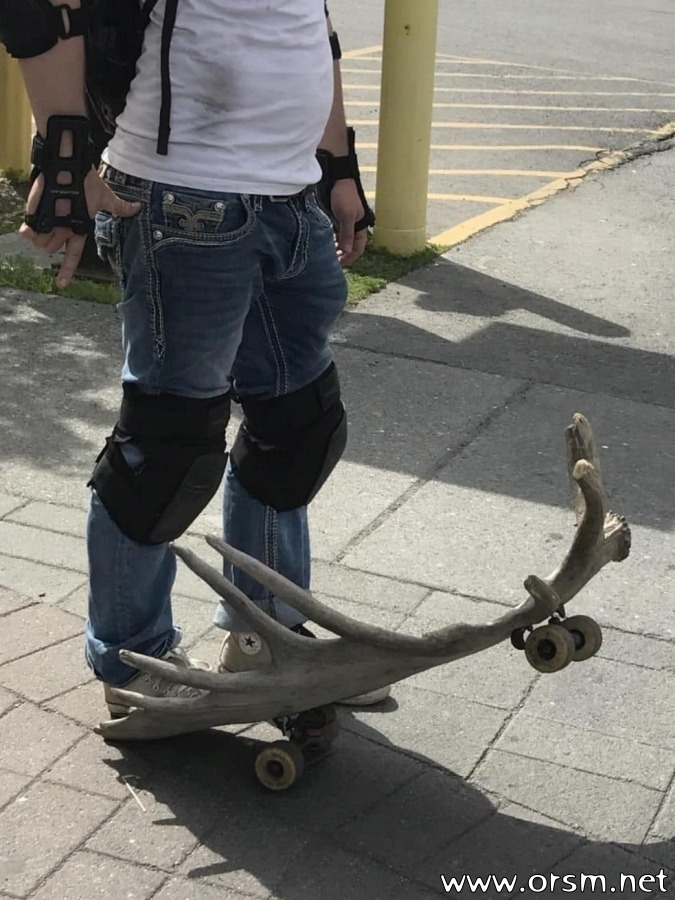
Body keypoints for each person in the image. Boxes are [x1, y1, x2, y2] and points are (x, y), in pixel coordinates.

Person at [2, 0, 390, 721]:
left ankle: (268, 640)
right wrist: (66, 162)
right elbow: (42, 10)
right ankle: (133, 664)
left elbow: (311, 24)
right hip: (181, 199)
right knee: (166, 449)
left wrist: (337, 164)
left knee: (296, 427)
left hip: (291, 197)